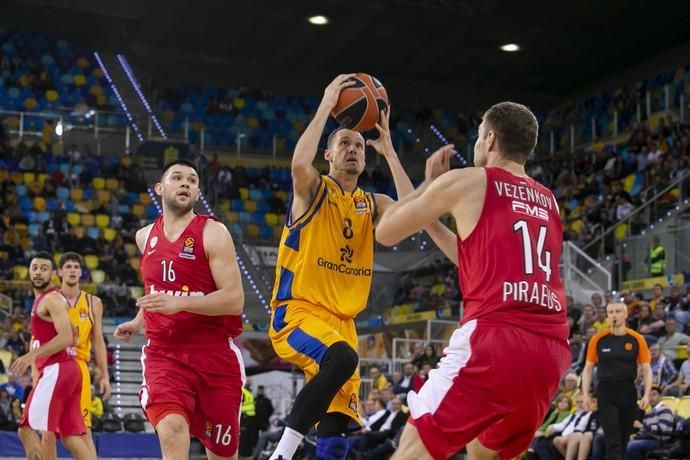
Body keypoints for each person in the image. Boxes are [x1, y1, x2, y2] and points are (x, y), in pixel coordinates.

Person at [267, 74, 451, 460]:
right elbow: (300, 163)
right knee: (343, 358)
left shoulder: (373, 202)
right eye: (343, 144)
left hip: (342, 324)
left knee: (336, 426)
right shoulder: (314, 190)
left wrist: (390, 152)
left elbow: (414, 210)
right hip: (296, 312)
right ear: (329, 155)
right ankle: (281, 454)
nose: (352, 149)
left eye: (357, 145)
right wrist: (325, 104)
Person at [376, 102, 572, 459]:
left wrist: (430, 184)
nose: (477, 143)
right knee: (482, 452)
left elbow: (387, 231)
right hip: (550, 352)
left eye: (479, 135)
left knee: (413, 449)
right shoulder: (549, 200)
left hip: (495, 341)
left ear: (491, 139)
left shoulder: (468, 181)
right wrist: (396, 161)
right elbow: (471, 259)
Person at [114, 160, 245, 460]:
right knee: (171, 429)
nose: (185, 183)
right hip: (165, 353)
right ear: (160, 188)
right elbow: (156, 291)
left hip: (213, 354)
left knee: (222, 454)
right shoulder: (144, 236)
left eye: (192, 180)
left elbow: (234, 300)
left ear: (198, 192)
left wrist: (182, 303)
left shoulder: (214, 232)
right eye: (177, 178)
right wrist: (139, 321)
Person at [10, 252, 89, 459]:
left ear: (53, 274)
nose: (38, 272)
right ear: (29, 271)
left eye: (43, 269)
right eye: (34, 268)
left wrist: (30, 356)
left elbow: (66, 338)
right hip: (68, 370)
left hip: (58, 370)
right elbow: (72, 332)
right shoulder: (48, 300)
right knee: (70, 436)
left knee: (26, 429)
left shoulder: (51, 299)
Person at [41, 252, 112, 459]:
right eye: (68, 267)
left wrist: (104, 375)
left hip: (79, 368)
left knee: (82, 431)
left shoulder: (94, 303)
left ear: (81, 272)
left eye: (76, 267)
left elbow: (98, 340)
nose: (72, 270)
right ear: (59, 272)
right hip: (53, 367)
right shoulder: (50, 301)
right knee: (48, 432)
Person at [582, 302, 653, 460]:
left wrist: (647, 394)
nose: (614, 315)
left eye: (618, 311)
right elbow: (587, 369)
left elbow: (647, 369)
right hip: (606, 391)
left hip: (628, 390)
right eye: (611, 312)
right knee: (612, 437)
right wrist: (585, 395)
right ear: (607, 316)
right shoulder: (598, 339)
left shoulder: (637, 338)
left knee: (623, 439)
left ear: (625, 314)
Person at [625, 386, 674, 460]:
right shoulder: (649, 413)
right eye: (649, 395)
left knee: (630, 446)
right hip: (648, 439)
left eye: (654, 394)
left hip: (659, 441)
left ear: (660, 397)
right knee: (623, 443)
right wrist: (635, 436)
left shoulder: (665, 410)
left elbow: (662, 429)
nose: (651, 397)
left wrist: (641, 426)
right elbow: (644, 431)